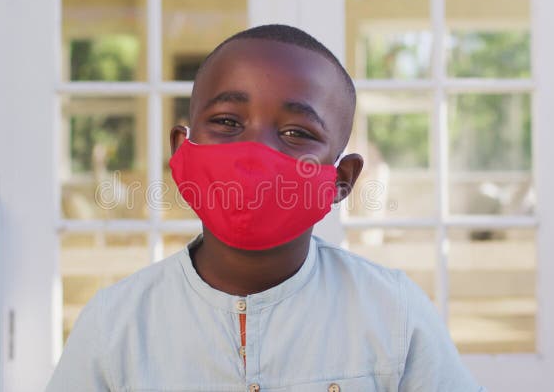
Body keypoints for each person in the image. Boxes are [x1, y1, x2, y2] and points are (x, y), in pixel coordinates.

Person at [46, 24, 484, 392]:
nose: (254, 152)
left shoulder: (393, 314)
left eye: (296, 132)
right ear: (182, 150)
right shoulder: (115, 327)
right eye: (227, 122)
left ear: (341, 180)